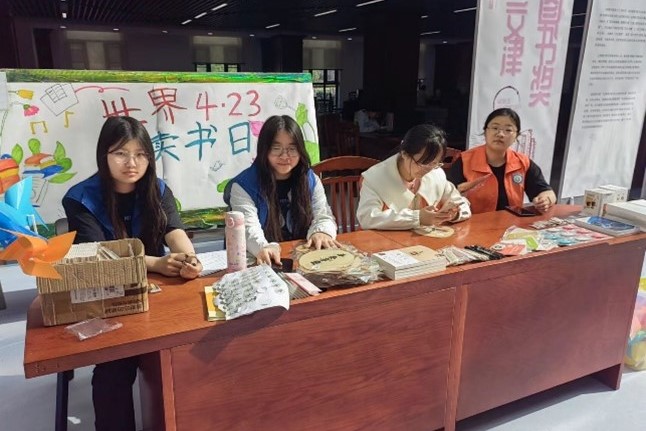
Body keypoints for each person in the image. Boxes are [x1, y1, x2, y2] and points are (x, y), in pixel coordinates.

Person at [62, 116, 202, 431]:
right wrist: (157, 264)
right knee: (114, 368)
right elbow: (98, 255)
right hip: (111, 294)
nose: (132, 163)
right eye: (121, 154)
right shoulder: (80, 198)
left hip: (160, 293)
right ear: (104, 155)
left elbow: (174, 229)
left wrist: (188, 258)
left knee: (191, 348)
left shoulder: (157, 188)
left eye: (140, 154)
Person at [224, 115, 339, 265]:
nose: (285, 156)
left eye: (292, 149)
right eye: (276, 148)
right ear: (264, 149)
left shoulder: (310, 180)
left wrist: (321, 231)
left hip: (303, 258)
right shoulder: (243, 186)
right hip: (262, 261)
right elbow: (248, 228)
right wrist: (263, 247)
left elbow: (323, 215)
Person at [357, 123, 471, 230]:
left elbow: (461, 203)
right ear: (404, 153)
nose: (428, 169)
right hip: (383, 241)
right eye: (422, 163)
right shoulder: (375, 177)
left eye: (434, 163)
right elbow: (367, 217)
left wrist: (454, 214)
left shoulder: (436, 173)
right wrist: (417, 218)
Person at [446, 108, 556, 214]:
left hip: (511, 223)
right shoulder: (465, 160)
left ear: (516, 136)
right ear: (485, 131)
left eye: (508, 130)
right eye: (495, 128)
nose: (500, 134)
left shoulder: (522, 162)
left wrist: (545, 200)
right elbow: (445, 195)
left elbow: (546, 192)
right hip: (472, 223)